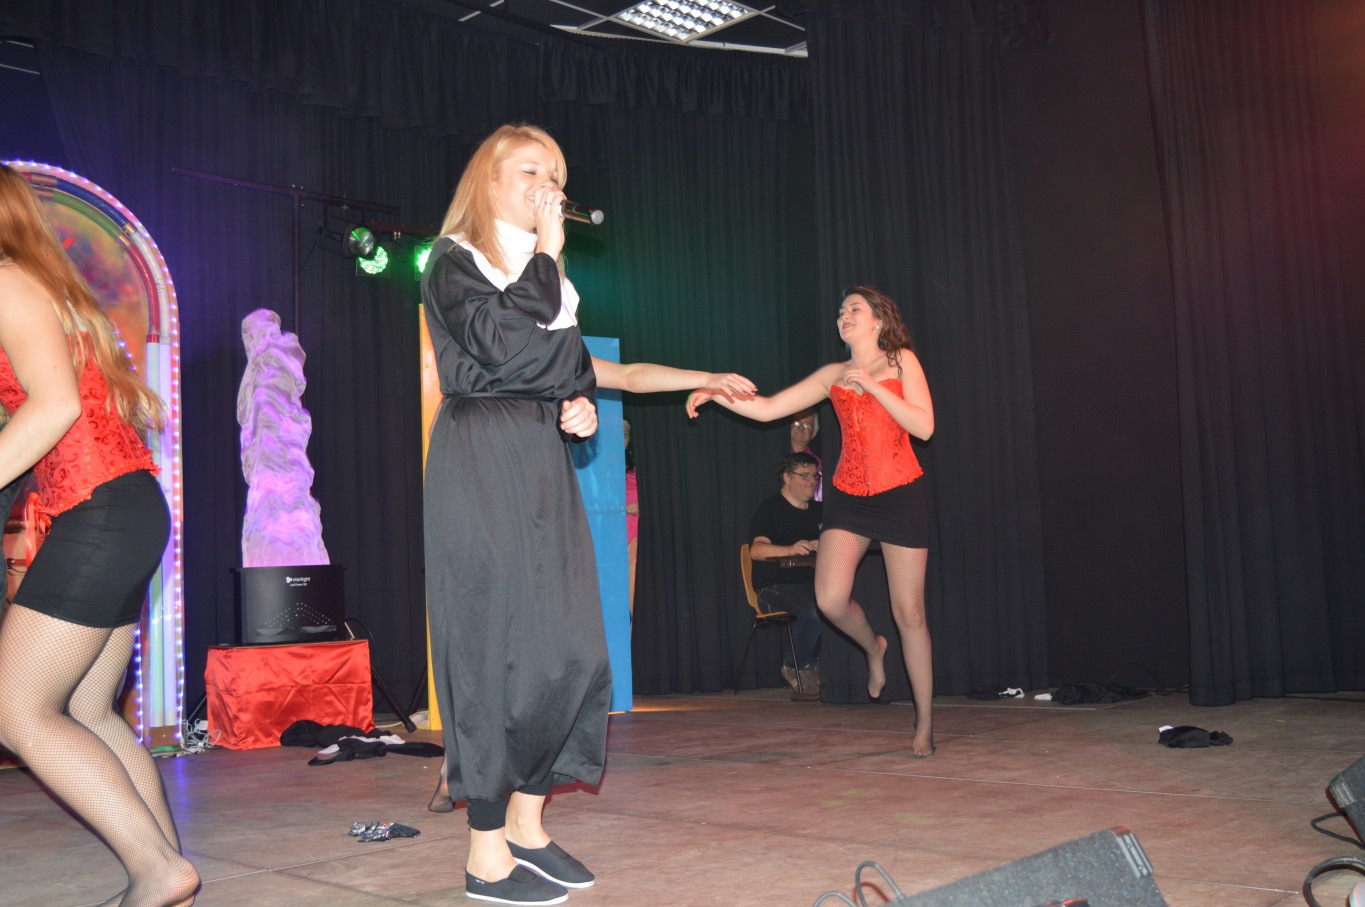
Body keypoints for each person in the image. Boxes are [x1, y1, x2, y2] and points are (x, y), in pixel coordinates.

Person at [421, 123, 754, 905]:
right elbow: (503, 345)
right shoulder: (452, 261)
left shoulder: (548, 282)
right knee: (492, 650)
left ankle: (528, 823)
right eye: (530, 170)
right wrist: (547, 255)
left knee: (569, 648)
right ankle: (485, 849)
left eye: (556, 174)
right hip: (480, 460)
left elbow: (602, 371)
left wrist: (677, 381)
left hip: (539, 464)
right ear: (487, 179)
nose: (549, 184)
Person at [0, 164, 199, 906]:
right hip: (121, 508)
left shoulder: (6, 283)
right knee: (86, 709)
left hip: (100, 512)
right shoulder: (36, 284)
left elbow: (53, 406)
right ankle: (167, 869)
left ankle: (160, 872)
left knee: (16, 710)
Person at [689, 285, 936, 758]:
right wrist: (717, 394)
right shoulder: (831, 375)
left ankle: (924, 721)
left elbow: (924, 427)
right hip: (850, 498)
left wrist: (872, 387)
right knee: (829, 599)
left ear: (878, 320)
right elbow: (766, 409)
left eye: (855, 309)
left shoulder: (901, 361)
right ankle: (874, 648)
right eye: (841, 310)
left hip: (901, 493)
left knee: (911, 613)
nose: (844, 315)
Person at [749, 451, 824, 699]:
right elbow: (756, 551)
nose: (811, 481)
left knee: (838, 606)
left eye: (814, 476)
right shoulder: (770, 509)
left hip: (813, 583)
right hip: (774, 587)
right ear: (787, 477)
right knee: (813, 611)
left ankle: (827, 669)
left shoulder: (820, 511)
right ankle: (797, 667)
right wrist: (790, 549)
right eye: (804, 475)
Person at [788, 409, 823, 501]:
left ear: (813, 433)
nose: (800, 427)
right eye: (796, 423)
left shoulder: (819, 466)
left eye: (807, 425)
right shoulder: (776, 456)